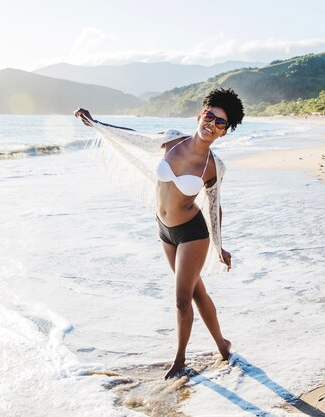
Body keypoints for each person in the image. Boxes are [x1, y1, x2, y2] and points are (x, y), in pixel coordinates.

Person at [74, 88, 244, 379]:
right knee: (196, 292)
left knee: (182, 299)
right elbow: (134, 137)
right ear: (200, 114)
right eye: (210, 116)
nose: (212, 125)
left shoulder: (214, 166)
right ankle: (222, 345)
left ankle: (179, 360)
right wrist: (97, 124)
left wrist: (219, 247)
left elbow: (215, 208)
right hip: (165, 230)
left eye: (220, 124)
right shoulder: (172, 140)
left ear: (224, 133)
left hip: (193, 233)